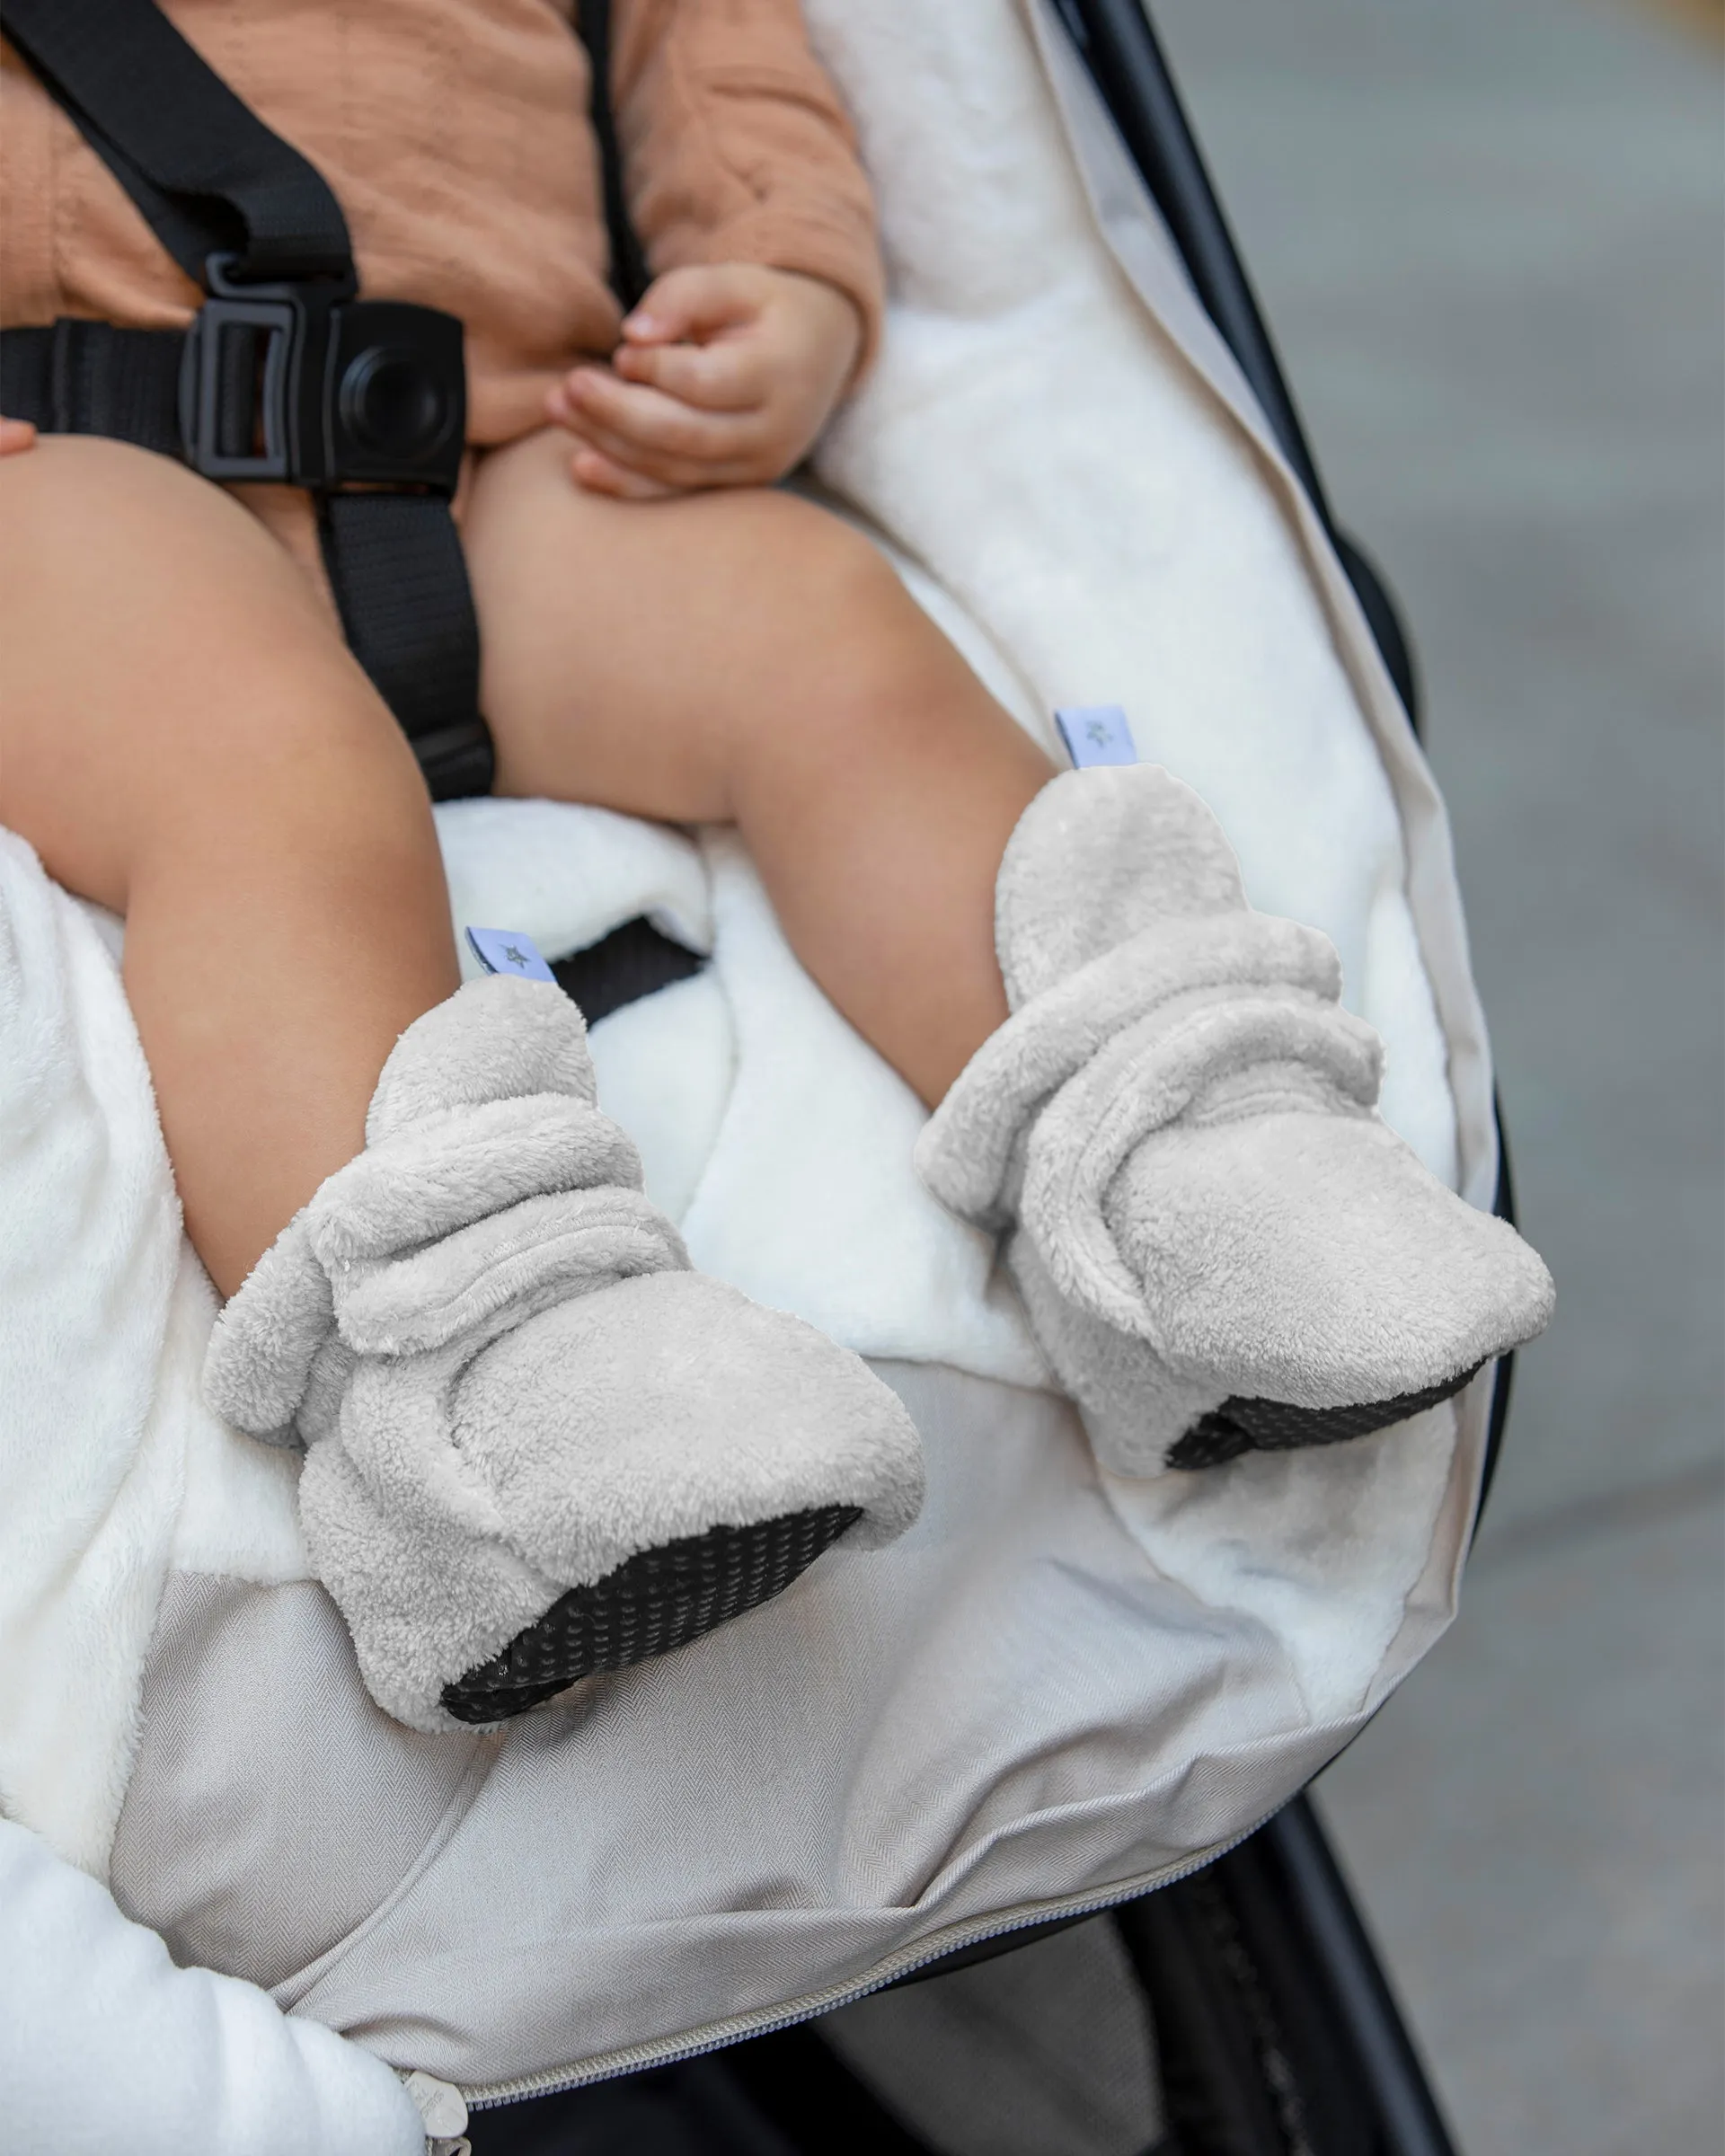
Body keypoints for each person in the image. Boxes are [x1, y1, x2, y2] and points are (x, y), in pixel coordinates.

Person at [0, 0, 1552, 1734]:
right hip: (60, 473)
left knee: (827, 641)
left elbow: (720, 62)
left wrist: (783, 285)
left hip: (498, 450)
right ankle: (493, 1411)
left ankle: (1184, 1181)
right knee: (267, 769)